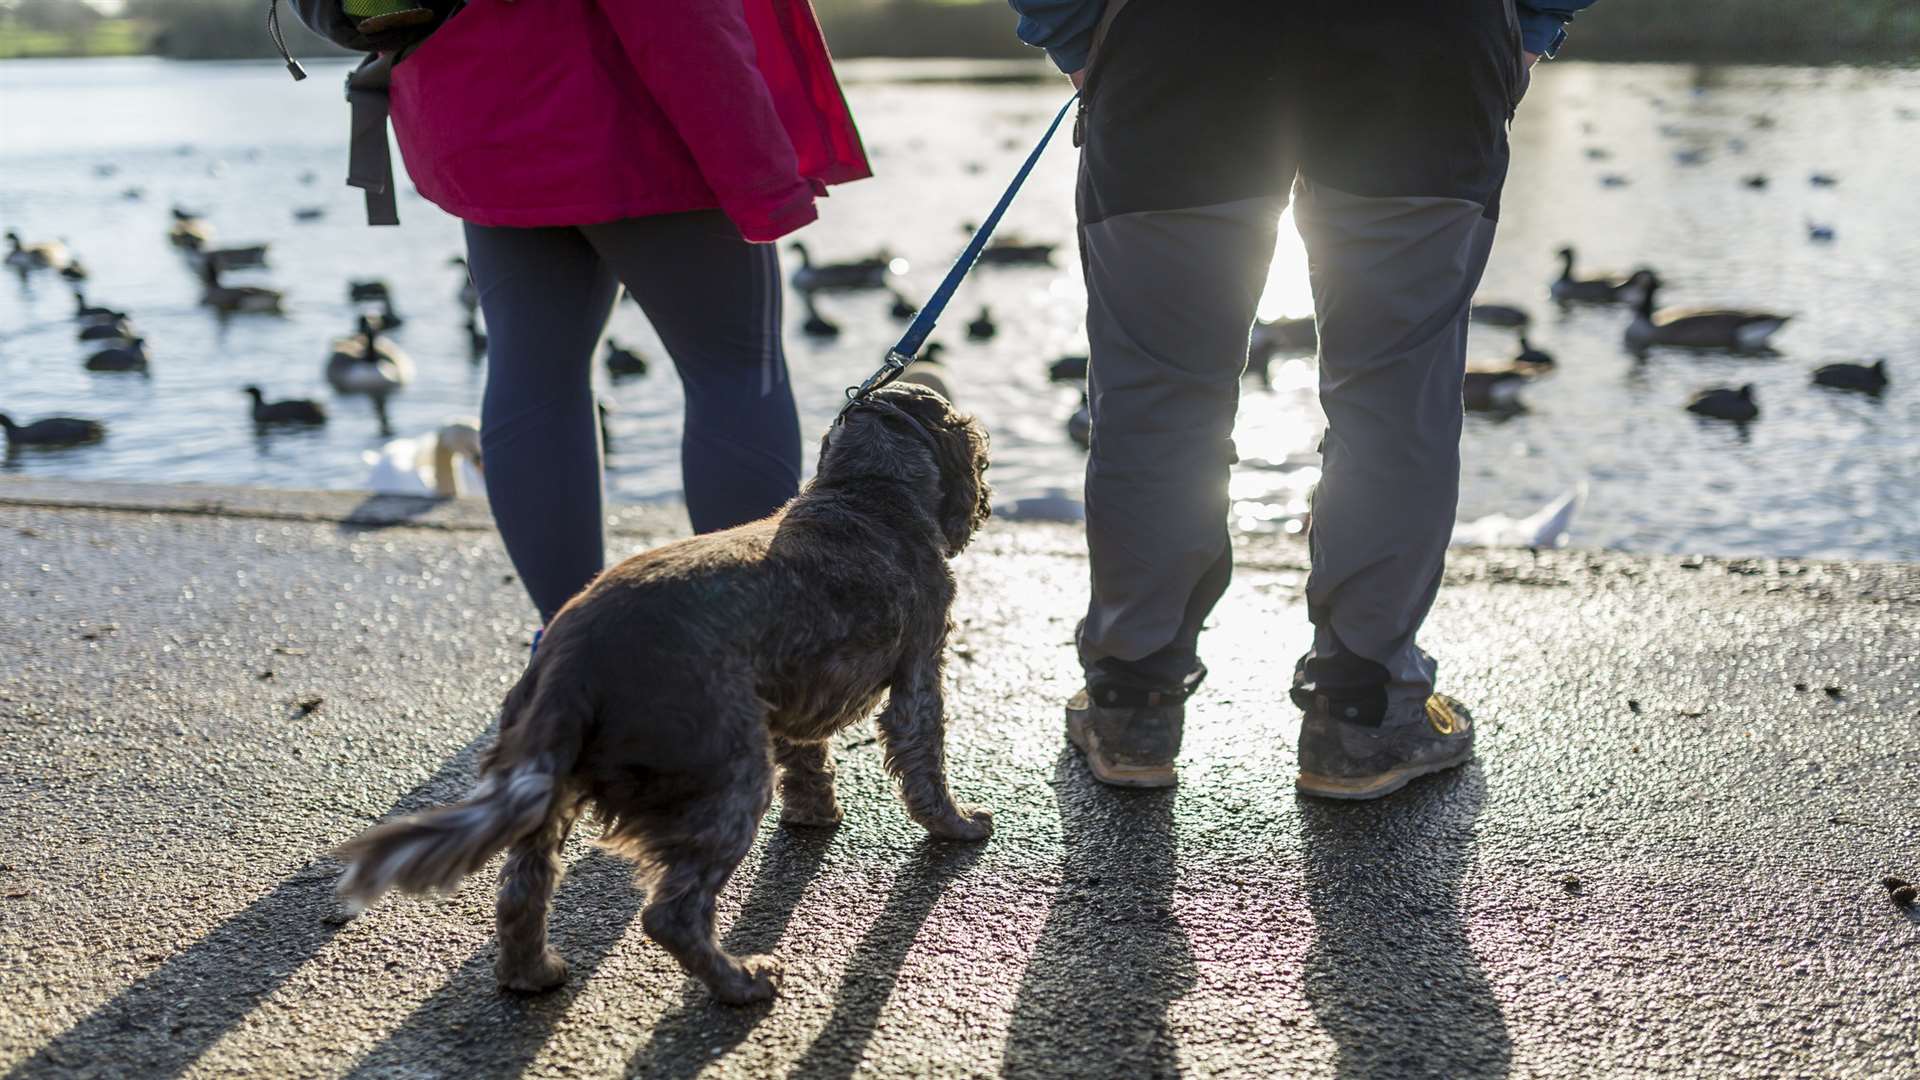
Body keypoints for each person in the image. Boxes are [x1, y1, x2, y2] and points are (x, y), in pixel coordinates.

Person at [1007, 0, 1599, 797]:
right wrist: (1529, 26)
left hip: (1174, 45)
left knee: (1158, 391)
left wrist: (1076, 29)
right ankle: (1363, 713)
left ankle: (1131, 703)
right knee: (1395, 397)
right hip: (1422, 47)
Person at [386, 0, 870, 635]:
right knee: (733, 372)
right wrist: (756, 167)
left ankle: (568, 650)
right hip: (641, 112)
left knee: (536, 377)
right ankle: (750, 651)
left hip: (484, 103)